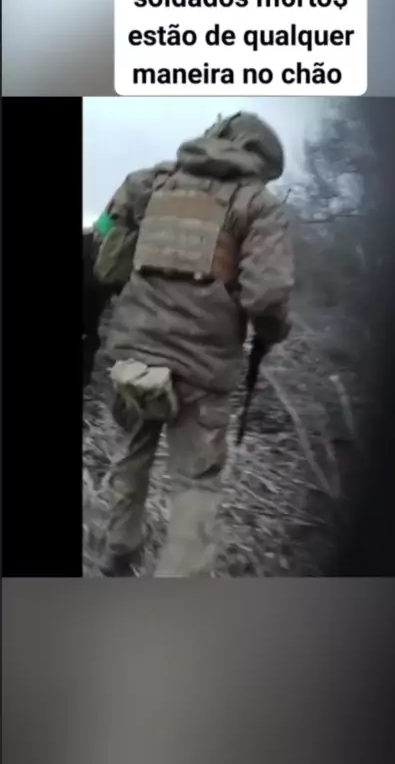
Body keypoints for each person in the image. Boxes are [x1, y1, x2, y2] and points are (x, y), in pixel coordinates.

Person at [95, 112, 294, 576]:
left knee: (132, 451)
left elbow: (106, 252)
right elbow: (267, 297)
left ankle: (118, 550)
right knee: (196, 481)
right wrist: (270, 333)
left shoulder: (149, 182)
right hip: (202, 366)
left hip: (134, 352)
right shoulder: (257, 204)